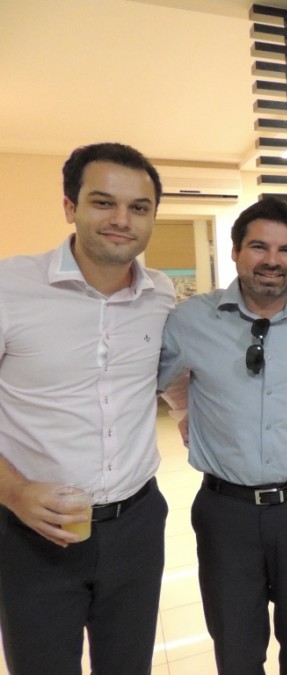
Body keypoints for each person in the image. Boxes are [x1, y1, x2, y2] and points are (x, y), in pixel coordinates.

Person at [0, 142, 174, 674]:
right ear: (69, 207)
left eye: (138, 207)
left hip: (137, 524)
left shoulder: (161, 295)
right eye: (103, 202)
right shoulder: (10, 287)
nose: (122, 220)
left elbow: (178, 378)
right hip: (32, 532)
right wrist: (14, 492)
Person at [157, 198, 287, 674]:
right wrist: (186, 410)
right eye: (259, 246)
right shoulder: (190, 320)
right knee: (237, 650)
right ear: (236, 251)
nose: (272, 260)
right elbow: (161, 376)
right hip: (227, 513)